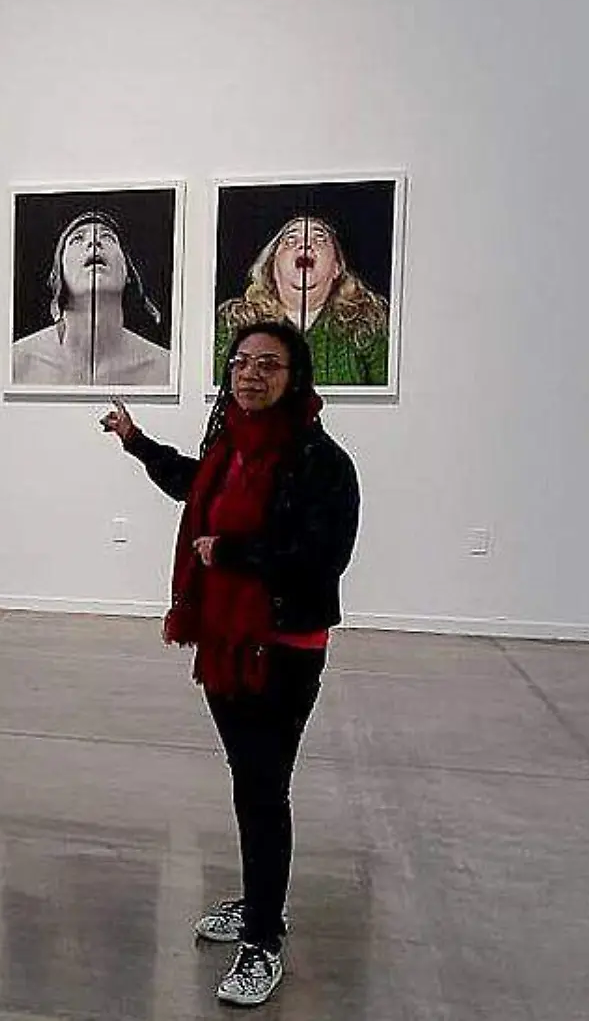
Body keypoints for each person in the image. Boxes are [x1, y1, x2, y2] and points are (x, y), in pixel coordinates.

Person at [100, 321, 360, 1008]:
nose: (251, 375)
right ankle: (258, 902)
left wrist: (235, 554)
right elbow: (193, 485)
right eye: (242, 363)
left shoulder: (321, 461)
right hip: (222, 639)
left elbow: (320, 558)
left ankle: (263, 940)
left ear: (295, 376)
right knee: (251, 781)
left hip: (283, 646)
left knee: (263, 786)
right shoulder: (230, 448)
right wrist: (136, 443)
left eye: (269, 365)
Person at [215, 216, 390, 387]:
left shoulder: (368, 322)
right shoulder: (234, 322)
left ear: (337, 268)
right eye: (291, 240)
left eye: (320, 240)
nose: (306, 245)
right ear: (272, 266)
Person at [13, 211, 170, 388]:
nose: (93, 242)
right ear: (59, 272)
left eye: (108, 237)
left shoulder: (166, 368)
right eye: (77, 239)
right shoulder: (17, 362)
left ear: (129, 273)